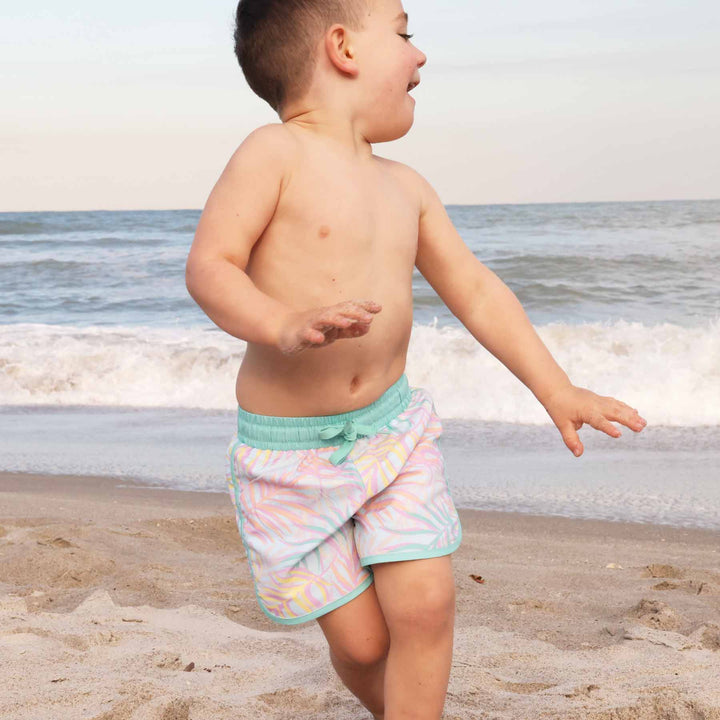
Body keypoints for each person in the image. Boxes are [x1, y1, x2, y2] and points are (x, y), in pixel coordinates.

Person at [184, 0, 648, 717]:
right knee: (366, 646)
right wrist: (280, 322)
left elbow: (476, 290)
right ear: (342, 48)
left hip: (392, 437)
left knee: (427, 603)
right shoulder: (272, 154)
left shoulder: (407, 187)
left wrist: (556, 388)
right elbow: (211, 267)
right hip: (288, 463)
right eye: (404, 32)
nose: (421, 54)